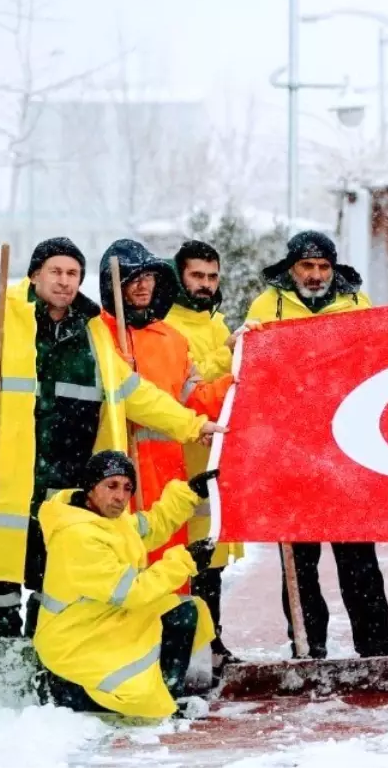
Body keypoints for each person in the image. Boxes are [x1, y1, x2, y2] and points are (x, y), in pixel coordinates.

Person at [0, 238, 223, 637]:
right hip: (7, 480)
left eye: (73, 273)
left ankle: (46, 656)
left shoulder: (92, 333)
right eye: (55, 271)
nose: (64, 281)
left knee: (55, 580)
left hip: (69, 484)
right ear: (36, 274)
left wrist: (192, 425)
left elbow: (133, 393)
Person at [245, 230, 388, 660]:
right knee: (299, 563)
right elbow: (247, 371)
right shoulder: (265, 307)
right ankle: (308, 646)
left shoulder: (357, 306)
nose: (315, 275)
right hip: (290, 456)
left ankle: (376, 648)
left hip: (347, 452)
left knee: (357, 559)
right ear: (291, 268)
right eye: (307, 266)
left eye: (323, 267)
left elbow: (380, 362)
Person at [34, 450, 218, 719]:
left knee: (184, 610)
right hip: (75, 641)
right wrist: (185, 562)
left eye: (127, 488)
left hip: (103, 622)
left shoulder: (105, 520)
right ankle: (71, 692)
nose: (120, 496)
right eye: (111, 486)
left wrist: (190, 494)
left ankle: (167, 694)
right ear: (90, 488)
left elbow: (149, 527)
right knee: (138, 697)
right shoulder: (77, 536)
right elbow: (133, 591)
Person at [98, 240, 233, 566]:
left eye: (148, 276)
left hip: (167, 479)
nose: (143, 284)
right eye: (132, 278)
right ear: (113, 284)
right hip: (114, 478)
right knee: (122, 579)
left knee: (168, 579)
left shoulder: (172, 340)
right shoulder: (99, 333)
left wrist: (240, 375)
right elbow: (135, 400)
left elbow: (196, 398)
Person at [165, 239, 249, 667]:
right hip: (177, 455)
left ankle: (212, 640)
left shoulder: (215, 324)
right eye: (197, 275)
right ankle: (192, 644)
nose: (205, 284)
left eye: (212, 277)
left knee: (210, 559)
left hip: (212, 455)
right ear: (179, 275)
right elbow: (188, 385)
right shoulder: (166, 323)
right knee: (182, 557)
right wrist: (228, 352)